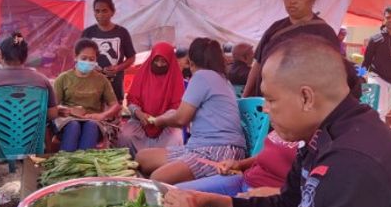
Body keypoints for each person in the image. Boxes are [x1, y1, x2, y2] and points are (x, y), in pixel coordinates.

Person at [164, 34, 391, 207]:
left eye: (271, 99)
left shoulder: (352, 161)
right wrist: (210, 201)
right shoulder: (327, 133)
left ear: (306, 98)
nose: (265, 109)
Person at [136, 38, 247, 184]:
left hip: (219, 152)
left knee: (157, 179)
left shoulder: (202, 76)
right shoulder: (222, 79)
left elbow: (181, 119)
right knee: (142, 157)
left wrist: (159, 120)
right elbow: (182, 113)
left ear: (191, 62)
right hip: (200, 147)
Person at [242, 0, 360, 98]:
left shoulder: (324, 33)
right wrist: (245, 96)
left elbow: (334, 74)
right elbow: (258, 64)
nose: (292, 1)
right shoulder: (275, 29)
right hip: (266, 103)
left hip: (304, 106)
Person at [176, 130, 298, 198]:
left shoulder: (313, 142)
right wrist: (239, 164)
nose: (265, 109)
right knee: (174, 194)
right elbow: (267, 154)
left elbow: (311, 195)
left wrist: (276, 192)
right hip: (243, 180)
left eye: (272, 100)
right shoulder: (285, 124)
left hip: (266, 199)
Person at [0, 33, 58, 120]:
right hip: (33, 138)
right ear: (25, 56)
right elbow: (52, 114)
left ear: (2, 56)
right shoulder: (43, 81)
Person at [53, 38, 122, 151]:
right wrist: (68, 110)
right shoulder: (63, 78)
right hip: (67, 121)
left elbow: (115, 105)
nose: (88, 62)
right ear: (75, 57)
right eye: (84, 58)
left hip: (93, 121)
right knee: (74, 126)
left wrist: (102, 115)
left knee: (91, 126)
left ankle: (84, 164)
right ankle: (66, 163)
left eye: (92, 59)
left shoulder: (102, 80)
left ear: (96, 60)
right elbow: (53, 107)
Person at [117, 42, 185, 156]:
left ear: (170, 62)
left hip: (166, 124)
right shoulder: (142, 74)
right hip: (140, 121)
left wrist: (163, 119)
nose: (159, 64)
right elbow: (132, 100)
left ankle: (162, 165)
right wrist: (139, 113)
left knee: (175, 138)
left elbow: (177, 106)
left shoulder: (176, 79)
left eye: (163, 62)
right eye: (156, 60)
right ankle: (135, 164)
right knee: (126, 135)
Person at [81, 0, 136, 103]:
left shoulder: (122, 32)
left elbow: (131, 57)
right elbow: (79, 57)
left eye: (104, 11)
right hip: (92, 87)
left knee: (112, 116)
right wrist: (91, 67)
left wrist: (118, 67)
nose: (100, 14)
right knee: (93, 117)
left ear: (113, 12)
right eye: (97, 11)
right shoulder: (88, 33)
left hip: (114, 86)